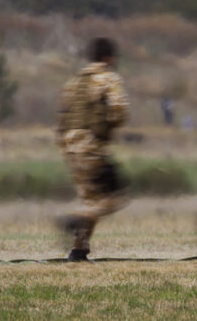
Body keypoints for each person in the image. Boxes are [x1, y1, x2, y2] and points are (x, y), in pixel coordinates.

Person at [55, 37, 130, 263]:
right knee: (115, 197)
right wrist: (108, 129)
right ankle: (73, 219)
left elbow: (61, 117)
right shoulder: (107, 78)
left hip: (69, 146)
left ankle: (78, 252)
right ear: (108, 58)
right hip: (91, 145)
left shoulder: (74, 82)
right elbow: (119, 111)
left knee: (90, 198)